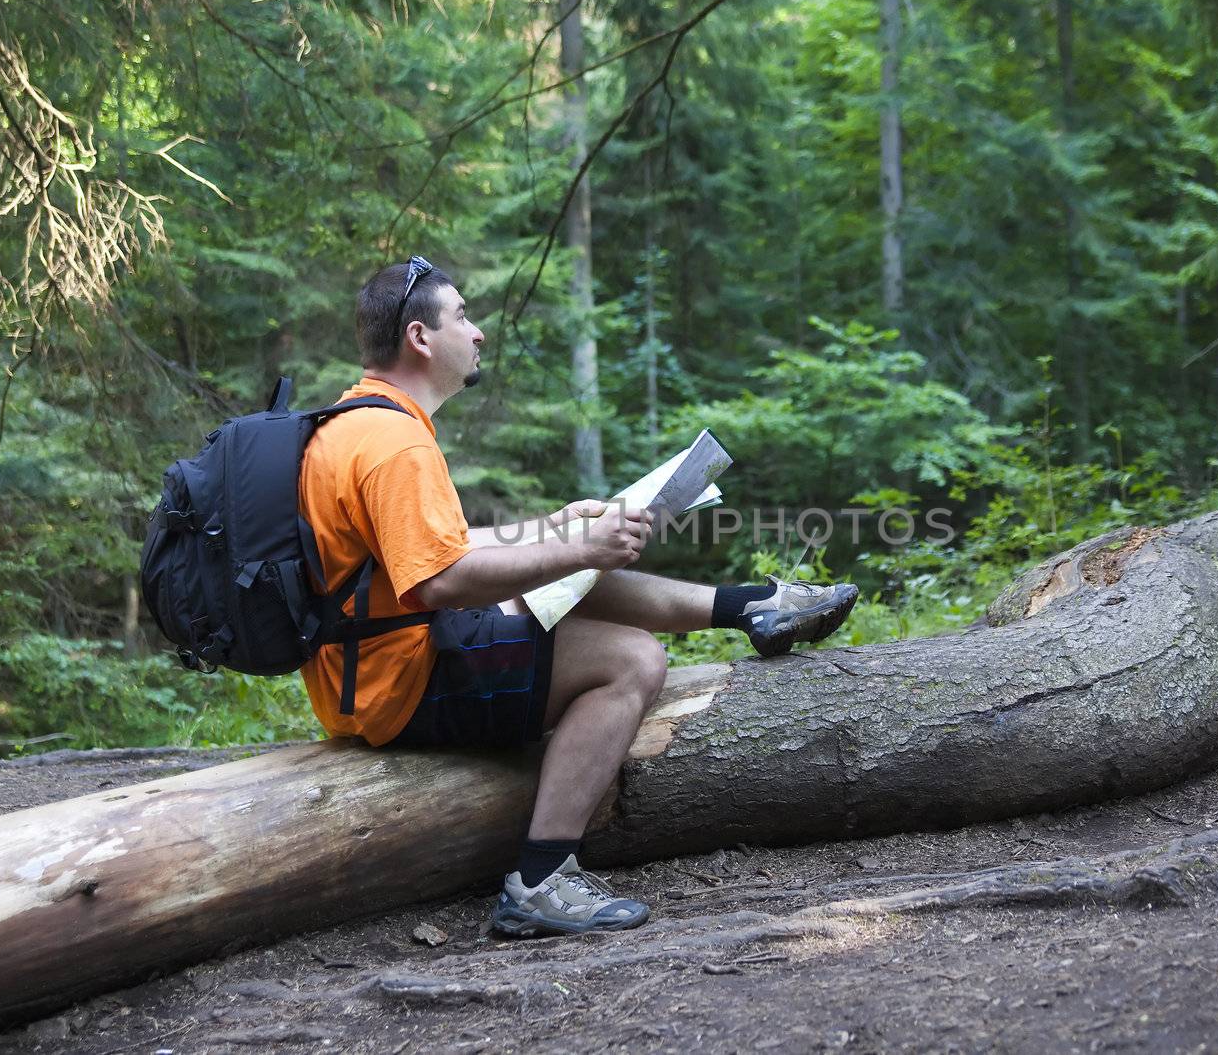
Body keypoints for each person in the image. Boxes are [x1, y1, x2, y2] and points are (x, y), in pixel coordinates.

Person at [298, 255, 859, 938]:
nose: (477, 333)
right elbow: (438, 580)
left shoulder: (358, 420)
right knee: (632, 660)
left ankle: (750, 607)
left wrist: (559, 525)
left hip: (373, 664)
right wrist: (585, 548)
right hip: (399, 682)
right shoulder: (395, 442)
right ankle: (540, 879)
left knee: (566, 580)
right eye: (464, 316)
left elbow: (441, 547)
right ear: (420, 337)